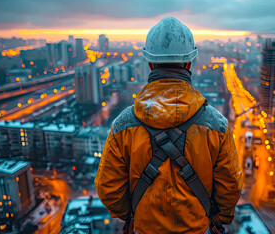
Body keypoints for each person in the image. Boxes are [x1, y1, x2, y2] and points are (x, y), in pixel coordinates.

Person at [95, 17, 242, 234]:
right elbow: (230, 188)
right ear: (190, 64)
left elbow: (109, 189)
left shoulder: (123, 125)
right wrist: (215, 219)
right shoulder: (216, 126)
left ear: (150, 64)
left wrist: (134, 215)